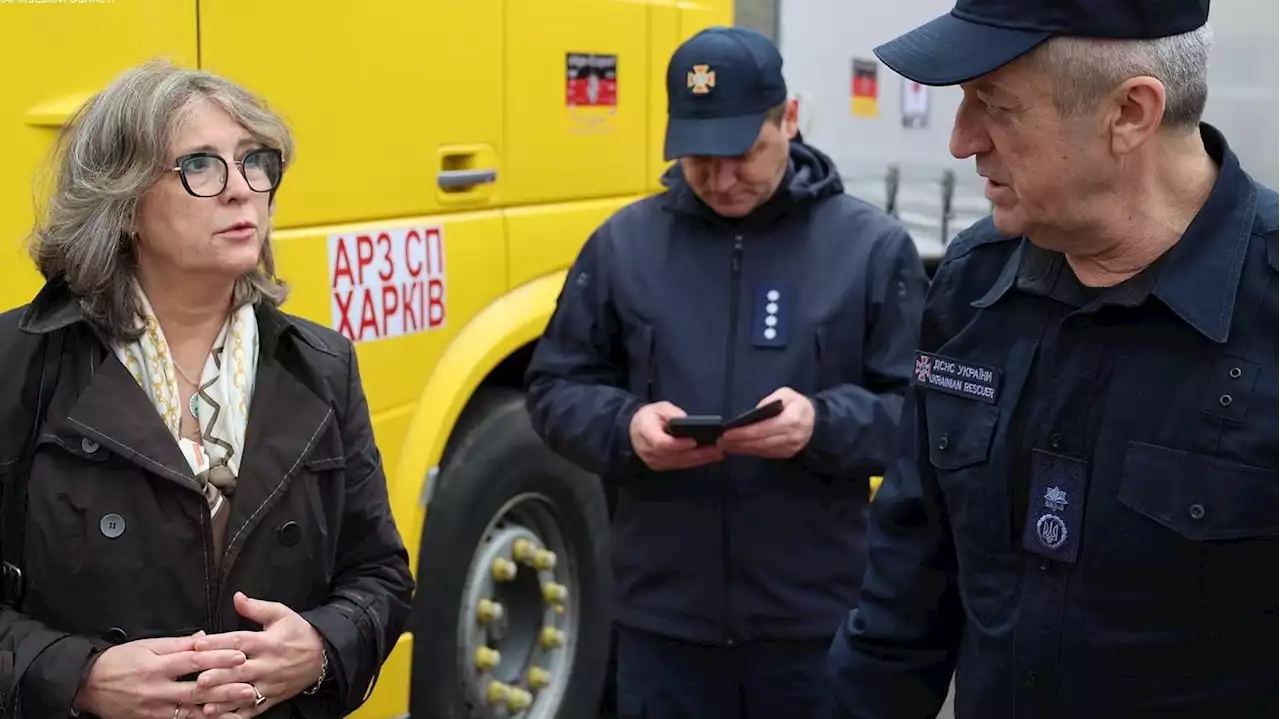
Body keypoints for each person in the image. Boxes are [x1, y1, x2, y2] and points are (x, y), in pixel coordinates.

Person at [826, 1, 1280, 718]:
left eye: (995, 104)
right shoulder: (970, 288)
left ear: (1130, 112)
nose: (961, 140)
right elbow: (901, 607)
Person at [525, 26, 928, 719]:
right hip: (662, 624)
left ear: (789, 119)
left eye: (742, 152)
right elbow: (554, 386)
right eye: (698, 158)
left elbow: (923, 417)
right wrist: (627, 428)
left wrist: (821, 424)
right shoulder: (623, 244)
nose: (720, 178)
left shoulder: (871, 248)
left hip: (815, 623)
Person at [0, 60, 414, 718]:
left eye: (256, 161)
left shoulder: (320, 363)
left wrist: (319, 647)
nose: (242, 190)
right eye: (200, 165)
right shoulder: (20, 362)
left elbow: (382, 579)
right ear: (124, 200)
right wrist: (76, 677)